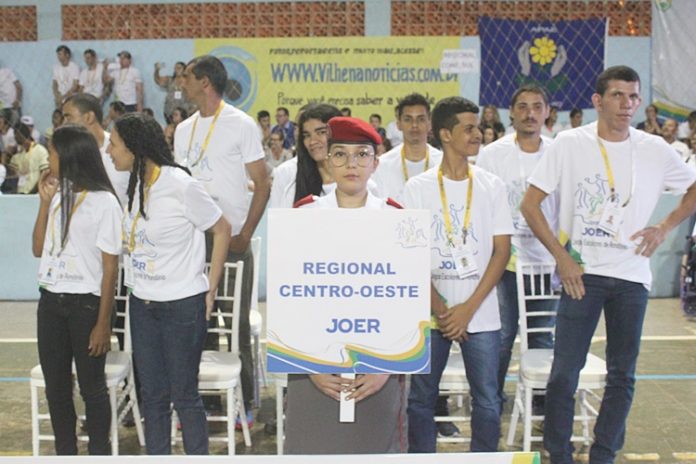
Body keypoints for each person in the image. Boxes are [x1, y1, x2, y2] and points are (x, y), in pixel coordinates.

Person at [520, 65, 696, 464]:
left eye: (633, 96)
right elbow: (530, 205)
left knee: (623, 374)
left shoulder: (654, 148)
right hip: (582, 274)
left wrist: (664, 227)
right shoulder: (569, 143)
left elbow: (692, 186)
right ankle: (559, 454)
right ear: (598, 101)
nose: (626, 104)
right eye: (617, 95)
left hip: (632, 275)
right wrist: (562, 257)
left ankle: (603, 453)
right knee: (564, 373)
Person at [109, 113, 231, 455]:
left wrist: (211, 287)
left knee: (184, 395)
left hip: (182, 305)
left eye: (113, 144)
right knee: (152, 396)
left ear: (134, 148)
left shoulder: (180, 184)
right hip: (143, 304)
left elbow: (222, 228)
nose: (108, 150)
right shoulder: (134, 184)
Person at [286, 115, 406, 454]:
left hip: (378, 366)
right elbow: (292, 298)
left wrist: (386, 368)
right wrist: (310, 366)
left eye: (362, 154)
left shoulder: (396, 220)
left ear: (376, 163)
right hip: (312, 364)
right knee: (315, 448)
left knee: (375, 449)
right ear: (327, 160)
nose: (351, 164)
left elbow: (406, 300)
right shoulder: (304, 216)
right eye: (340, 154)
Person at [404, 96, 513, 453]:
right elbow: (409, 256)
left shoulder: (492, 185)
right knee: (421, 398)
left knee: (488, 399)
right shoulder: (417, 189)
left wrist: (467, 309)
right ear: (446, 134)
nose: (478, 134)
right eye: (468, 128)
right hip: (430, 313)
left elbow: (502, 251)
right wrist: (442, 309)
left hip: (480, 312)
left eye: (477, 127)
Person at [175, 55, 270, 424]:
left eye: (186, 77)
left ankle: (244, 403)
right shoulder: (183, 130)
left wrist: (246, 233)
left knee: (235, 324)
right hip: (191, 243)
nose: (181, 83)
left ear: (205, 82)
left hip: (230, 240)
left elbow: (262, 183)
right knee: (197, 323)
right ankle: (205, 402)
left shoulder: (240, 124)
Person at [32, 123, 121, 455]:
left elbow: (110, 269)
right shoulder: (57, 196)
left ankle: (98, 453)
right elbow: (38, 248)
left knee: (92, 388)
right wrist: (44, 204)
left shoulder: (104, 202)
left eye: (53, 153)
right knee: (56, 389)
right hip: (51, 303)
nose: (49, 159)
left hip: (86, 306)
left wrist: (103, 323)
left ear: (70, 156)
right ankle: (65, 453)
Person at [477, 84, 559, 411]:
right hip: (504, 262)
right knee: (501, 336)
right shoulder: (492, 154)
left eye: (537, 106)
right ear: (511, 112)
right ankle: (492, 400)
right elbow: (482, 206)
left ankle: (539, 402)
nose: (530, 113)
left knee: (541, 336)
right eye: (522, 106)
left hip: (546, 262)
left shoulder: (558, 153)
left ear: (547, 112)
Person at [372, 93, 443, 205]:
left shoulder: (443, 163)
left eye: (421, 119)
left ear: (429, 124)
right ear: (398, 124)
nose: (414, 125)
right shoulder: (382, 165)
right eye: (408, 119)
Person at [269, 103, 341, 209]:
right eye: (307, 135)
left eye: (321, 132)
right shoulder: (287, 173)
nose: (312, 141)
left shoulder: (359, 177)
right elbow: (276, 217)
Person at [63, 93, 130, 205]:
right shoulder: (70, 156)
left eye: (68, 117)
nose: (64, 124)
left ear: (89, 117)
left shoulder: (124, 147)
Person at [10, 122, 49, 194]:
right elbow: (14, 175)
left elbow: (45, 174)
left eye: (15, 134)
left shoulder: (40, 150)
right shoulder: (19, 155)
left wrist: (33, 192)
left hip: (35, 194)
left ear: (20, 134)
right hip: (20, 193)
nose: (14, 137)